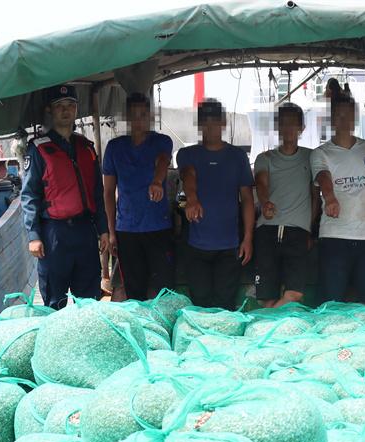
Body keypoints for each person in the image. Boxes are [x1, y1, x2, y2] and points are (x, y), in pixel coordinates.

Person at [20, 84, 109, 309]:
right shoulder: (38, 149)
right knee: (54, 302)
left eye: (70, 105)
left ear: (76, 110)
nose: (66, 110)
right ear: (49, 110)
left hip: (85, 232)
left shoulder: (86, 148)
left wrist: (103, 230)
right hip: (54, 235)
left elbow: (97, 193)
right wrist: (33, 236)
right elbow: (29, 195)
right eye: (59, 106)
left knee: (88, 302)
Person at [176, 98, 255, 309]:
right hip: (196, 245)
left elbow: (247, 198)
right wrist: (192, 199)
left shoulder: (238, 156)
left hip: (229, 246)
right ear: (200, 124)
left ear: (223, 123)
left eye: (215, 120)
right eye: (205, 121)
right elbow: (188, 174)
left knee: (225, 306)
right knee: (200, 304)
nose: (210, 126)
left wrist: (248, 238)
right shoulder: (187, 154)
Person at [102, 92, 175, 301]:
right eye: (133, 115)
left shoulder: (162, 141)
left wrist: (157, 181)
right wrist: (111, 231)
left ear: (150, 116)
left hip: (158, 227)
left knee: (163, 290)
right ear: (127, 117)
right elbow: (108, 192)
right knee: (134, 290)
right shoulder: (114, 148)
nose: (139, 120)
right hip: (127, 229)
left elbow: (163, 160)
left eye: (143, 114)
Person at [311, 85, 365, 305]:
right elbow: (323, 176)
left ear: (355, 119)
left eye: (348, 115)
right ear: (331, 119)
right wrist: (330, 197)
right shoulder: (321, 153)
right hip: (334, 236)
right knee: (331, 302)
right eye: (338, 115)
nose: (344, 120)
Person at [253, 102, 318, 307]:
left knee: (294, 294)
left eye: (293, 123)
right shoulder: (264, 158)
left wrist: (310, 229)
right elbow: (261, 182)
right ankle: (269, 321)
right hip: (267, 231)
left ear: (302, 128)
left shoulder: (311, 157)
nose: (288, 128)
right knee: (266, 297)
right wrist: (265, 202)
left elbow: (315, 196)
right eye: (284, 123)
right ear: (277, 127)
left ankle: (263, 321)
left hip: (298, 232)